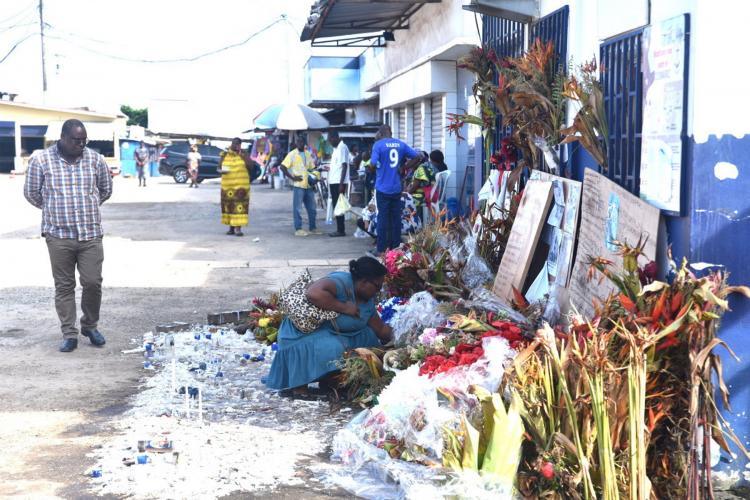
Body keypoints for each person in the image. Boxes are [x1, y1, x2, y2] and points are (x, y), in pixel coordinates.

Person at [23, 119, 112, 352]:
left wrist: (89, 206)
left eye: (84, 140)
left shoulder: (95, 159)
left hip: (90, 233)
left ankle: (90, 326)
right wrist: (53, 209)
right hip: (58, 235)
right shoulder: (41, 160)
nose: (80, 144)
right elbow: (31, 193)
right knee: (64, 286)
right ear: (62, 137)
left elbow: (106, 189)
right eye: (76, 140)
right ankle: (69, 333)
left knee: (93, 282)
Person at [265, 256, 393, 394]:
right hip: (302, 336)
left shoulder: (367, 299)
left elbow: (380, 329)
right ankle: (299, 384)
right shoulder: (341, 282)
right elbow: (313, 293)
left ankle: (331, 380)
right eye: (377, 286)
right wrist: (344, 307)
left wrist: (402, 341)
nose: (379, 291)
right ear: (363, 282)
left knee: (368, 337)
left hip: (336, 334)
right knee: (335, 348)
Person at [369, 124, 422, 255]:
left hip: (382, 188)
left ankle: (381, 249)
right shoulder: (400, 144)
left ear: (380, 134)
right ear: (390, 132)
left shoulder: (378, 145)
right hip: (396, 188)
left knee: (382, 218)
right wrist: (403, 167)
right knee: (395, 218)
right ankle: (396, 248)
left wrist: (374, 169)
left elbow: (372, 164)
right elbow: (418, 157)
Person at [280, 135, 322, 237]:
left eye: (301, 142)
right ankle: (298, 229)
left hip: (308, 185)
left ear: (304, 143)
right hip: (298, 185)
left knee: (312, 208)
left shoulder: (308, 154)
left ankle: (313, 228)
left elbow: (312, 168)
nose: (300, 143)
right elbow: (282, 167)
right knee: (298, 209)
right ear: (296, 143)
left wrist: (316, 176)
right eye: (298, 142)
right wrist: (292, 178)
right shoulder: (292, 154)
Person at [219, 138, 252, 237]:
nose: (235, 146)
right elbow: (219, 167)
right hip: (227, 185)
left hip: (241, 185)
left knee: (239, 206)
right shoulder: (224, 154)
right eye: (234, 144)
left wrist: (243, 156)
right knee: (229, 205)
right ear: (231, 144)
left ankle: (238, 229)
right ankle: (231, 228)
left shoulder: (244, 154)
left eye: (238, 144)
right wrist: (221, 170)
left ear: (240, 145)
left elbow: (251, 166)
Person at [327, 130, 350, 237]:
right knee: (337, 206)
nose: (330, 142)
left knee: (339, 206)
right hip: (334, 181)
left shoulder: (342, 147)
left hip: (338, 182)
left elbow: (344, 165)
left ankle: (341, 230)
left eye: (330, 139)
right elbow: (338, 165)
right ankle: (339, 229)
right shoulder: (336, 149)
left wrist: (341, 184)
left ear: (335, 137)